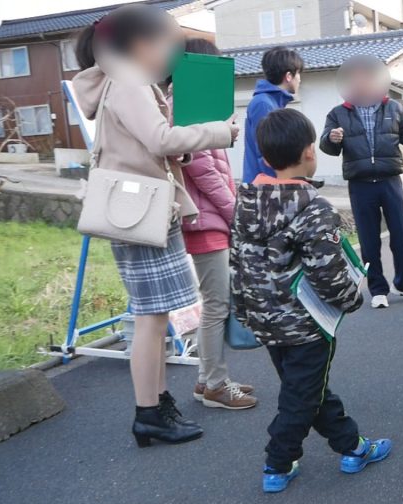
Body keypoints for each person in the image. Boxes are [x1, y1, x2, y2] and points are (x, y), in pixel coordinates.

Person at [72, 4, 239, 446]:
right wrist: (220, 131)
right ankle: (149, 411)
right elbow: (159, 139)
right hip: (141, 213)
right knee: (150, 318)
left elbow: (150, 147)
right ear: (142, 45)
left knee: (155, 315)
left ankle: (159, 404)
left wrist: (181, 149)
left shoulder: (122, 81)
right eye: (170, 45)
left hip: (141, 210)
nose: (175, 55)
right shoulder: (129, 82)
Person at [231, 108, 392, 493]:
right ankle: (278, 462)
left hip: (265, 320)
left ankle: (352, 445)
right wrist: (353, 298)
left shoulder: (247, 202)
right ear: (310, 153)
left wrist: (245, 310)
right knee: (301, 397)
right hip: (307, 324)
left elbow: (237, 262)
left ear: (265, 158)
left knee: (307, 389)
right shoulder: (313, 208)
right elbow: (328, 271)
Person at [171, 38, 256, 410]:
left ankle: (207, 381)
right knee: (217, 306)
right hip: (206, 223)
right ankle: (216, 386)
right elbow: (204, 171)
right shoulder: (189, 106)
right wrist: (235, 213)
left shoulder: (193, 104)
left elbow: (216, 170)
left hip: (209, 220)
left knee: (215, 304)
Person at [319, 55, 403, 309]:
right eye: (356, 80)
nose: (362, 84)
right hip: (360, 184)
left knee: (401, 235)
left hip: (390, 180)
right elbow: (326, 145)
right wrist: (332, 138)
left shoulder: (393, 108)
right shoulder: (338, 113)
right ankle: (378, 290)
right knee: (369, 240)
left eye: (366, 79)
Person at [242, 46, 304, 183]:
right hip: (265, 187)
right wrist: (280, 184)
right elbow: (265, 153)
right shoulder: (264, 104)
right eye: (298, 73)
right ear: (288, 76)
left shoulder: (272, 102)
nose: (299, 79)